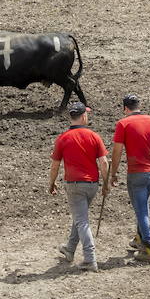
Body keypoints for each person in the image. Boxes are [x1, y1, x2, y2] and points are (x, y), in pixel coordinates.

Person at [108, 94, 150, 264]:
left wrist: (113, 173)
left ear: (125, 109)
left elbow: (117, 151)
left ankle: (149, 247)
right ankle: (139, 238)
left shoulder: (123, 124)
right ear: (139, 105)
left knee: (141, 209)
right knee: (143, 205)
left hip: (137, 173)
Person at [49, 101, 110, 273]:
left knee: (82, 220)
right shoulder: (94, 136)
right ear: (83, 116)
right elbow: (104, 163)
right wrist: (105, 183)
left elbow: (55, 165)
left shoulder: (63, 138)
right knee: (80, 216)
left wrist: (51, 182)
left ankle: (90, 259)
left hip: (74, 184)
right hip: (92, 185)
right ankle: (69, 249)